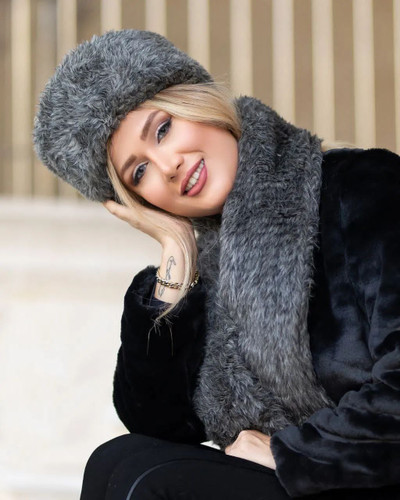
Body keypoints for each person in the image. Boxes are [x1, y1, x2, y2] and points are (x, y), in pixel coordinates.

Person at [33, 30, 400, 499]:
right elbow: (158, 421)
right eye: (139, 172)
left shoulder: (361, 187)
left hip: (365, 473)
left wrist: (295, 452)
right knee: (115, 461)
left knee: (155, 484)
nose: (167, 166)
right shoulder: (208, 266)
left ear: (198, 103)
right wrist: (176, 255)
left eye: (163, 130)